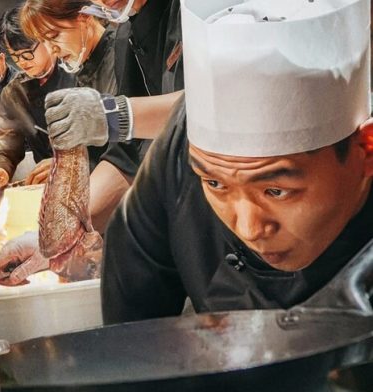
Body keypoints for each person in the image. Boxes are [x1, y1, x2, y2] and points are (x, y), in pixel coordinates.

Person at [100, 0, 372, 323]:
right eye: (216, 184)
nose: (249, 228)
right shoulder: (178, 158)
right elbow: (131, 331)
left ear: (366, 150)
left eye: (276, 190)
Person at [0, 6, 147, 229]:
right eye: (16, 58)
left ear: (84, 16)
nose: (23, 62)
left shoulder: (110, 53)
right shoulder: (17, 92)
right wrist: (1, 166)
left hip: (113, 188)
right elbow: (7, 141)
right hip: (67, 191)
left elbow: (127, 146)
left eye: (28, 52)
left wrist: (69, 165)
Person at [20, 0, 184, 145]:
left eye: (54, 36)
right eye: (43, 42)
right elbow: (124, 155)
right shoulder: (127, 31)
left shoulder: (121, 44)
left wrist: (110, 115)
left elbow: (195, 108)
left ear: (84, 16)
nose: (52, 50)